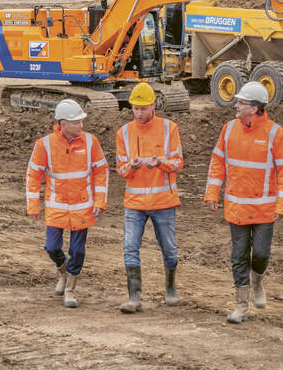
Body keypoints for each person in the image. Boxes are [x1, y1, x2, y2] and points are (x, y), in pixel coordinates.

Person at [203, 81, 283, 323]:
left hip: (265, 209)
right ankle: (241, 306)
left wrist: (282, 203)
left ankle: (258, 282)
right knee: (238, 256)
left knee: (261, 254)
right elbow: (217, 162)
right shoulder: (228, 129)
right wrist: (212, 193)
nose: (236, 105)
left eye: (241, 102)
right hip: (236, 207)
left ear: (254, 108)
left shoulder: (276, 133)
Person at [26, 99, 109, 308]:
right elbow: (33, 175)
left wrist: (100, 201)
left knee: (78, 251)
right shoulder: (44, 144)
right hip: (57, 207)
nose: (81, 126)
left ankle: (70, 290)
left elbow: (101, 171)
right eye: (76, 122)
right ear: (62, 124)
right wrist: (33, 206)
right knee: (52, 247)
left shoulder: (91, 142)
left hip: (82, 207)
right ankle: (63, 273)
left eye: (82, 121)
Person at [115, 83, 184, 313]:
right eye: (135, 109)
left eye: (143, 108)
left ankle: (171, 287)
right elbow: (121, 169)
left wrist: (160, 163)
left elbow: (178, 162)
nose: (139, 113)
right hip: (134, 204)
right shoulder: (123, 133)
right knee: (130, 247)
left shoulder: (169, 128)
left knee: (169, 249)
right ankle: (134, 298)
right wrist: (131, 166)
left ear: (153, 106)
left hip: (163, 203)